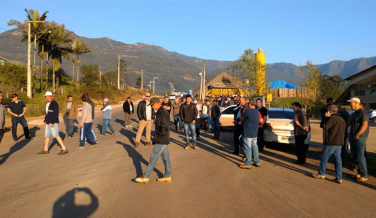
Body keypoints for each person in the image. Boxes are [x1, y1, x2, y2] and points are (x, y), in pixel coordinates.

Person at [135, 97, 172, 184]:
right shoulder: (159, 112)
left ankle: (145, 176)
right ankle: (167, 175)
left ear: (156, 103)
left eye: (152, 105)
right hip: (163, 138)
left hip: (162, 139)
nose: (151, 107)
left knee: (153, 156)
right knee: (165, 157)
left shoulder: (163, 112)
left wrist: (158, 138)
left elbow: (165, 127)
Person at [312, 105, 345, 184]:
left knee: (324, 157)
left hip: (332, 141)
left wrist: (325, 117)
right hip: (339, 142)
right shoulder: (341, 119)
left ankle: (321, 173)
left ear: (331, 111)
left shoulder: (332, 118)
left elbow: (324, 126)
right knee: (338, 160)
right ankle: (339, 177)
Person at [347, 97, 369, 182]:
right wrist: (349, 134)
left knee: (361, 156)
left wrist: (358, 134)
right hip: (352, 136)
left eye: (351, 102)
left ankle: (364, 175)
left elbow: (365, 125)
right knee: (355, 156)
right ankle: (359, 173)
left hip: (360, 137)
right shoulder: (354, 113)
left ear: (356, 103)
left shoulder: (363, 113)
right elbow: (350, 124)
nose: (350, 104)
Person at [239, 99, 263, 169]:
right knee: (255, 147)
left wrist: (242, 119)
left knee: (247, 148)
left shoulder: (247, 111)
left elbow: (241, 118)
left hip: (247, 132)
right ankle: (257, 161)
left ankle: (248, 163)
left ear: (250, 104)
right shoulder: (257, 111)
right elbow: (261, 120)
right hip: (254, 132)